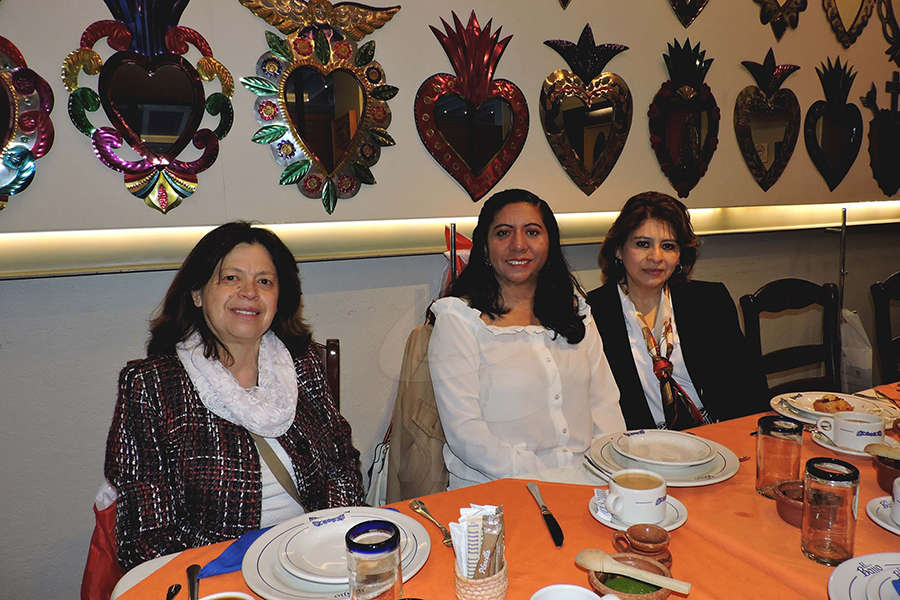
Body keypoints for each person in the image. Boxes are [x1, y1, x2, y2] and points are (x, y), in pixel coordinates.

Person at [105, 222, 364, 571]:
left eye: (265, 281)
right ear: (197, 293)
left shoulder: (302, 365)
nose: (249, 292)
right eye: (231, 278)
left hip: (313, 562)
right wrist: (229, 571)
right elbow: (147, 535)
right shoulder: (152, 386)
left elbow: (342, 465)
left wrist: (326, 542)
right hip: (215, 574)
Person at [428, 189, 625, 489]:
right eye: (503, 233)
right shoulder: (458, 321)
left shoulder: (577, 310)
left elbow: (605, 404)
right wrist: (553, 479)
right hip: (497, 493)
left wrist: (600, 472)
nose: (518, 245)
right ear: (484, 246)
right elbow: (466, 434)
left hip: (588, 483)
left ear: (549, 243)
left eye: (532, 232)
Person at [586, 191, 764, 430]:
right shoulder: (593, 314)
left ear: (680, 256)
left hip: (715, 434)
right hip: (643, 446)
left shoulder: (709, 301)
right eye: (642, 244)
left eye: (668, 246)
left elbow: (749, 390)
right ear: (618, 250)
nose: (656, 257)